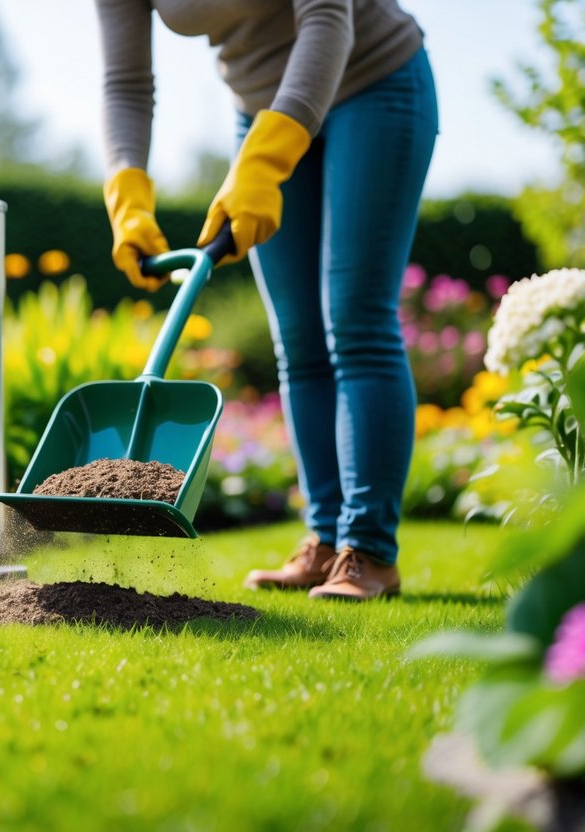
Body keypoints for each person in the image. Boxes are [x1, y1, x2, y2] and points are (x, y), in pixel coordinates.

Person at [95, 0, 438, 600]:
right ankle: (325, 541)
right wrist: (127, 191)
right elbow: (125, 83)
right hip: (259, 109)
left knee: (356, 321)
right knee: (299, 339)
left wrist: (267, 157)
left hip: (372, 80)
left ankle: (370, 551)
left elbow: (329, 18)